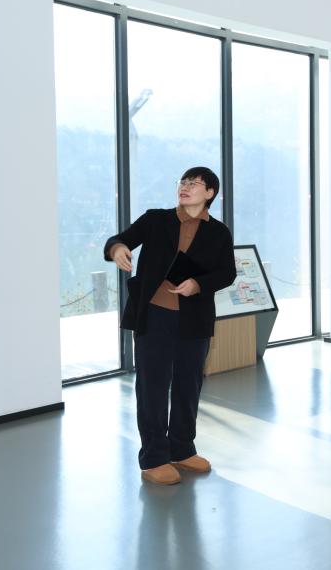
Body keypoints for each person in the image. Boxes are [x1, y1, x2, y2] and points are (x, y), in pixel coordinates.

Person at [104, 167, 236, 486]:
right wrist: (118, 249)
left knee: (189, 385)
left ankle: (182, 449)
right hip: (154, 315)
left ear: (210, 193)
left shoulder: (219, 232)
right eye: (183, 182)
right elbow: (120, 239)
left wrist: (198, 284)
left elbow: (227, 273)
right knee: (152, 386)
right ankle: (154, 458)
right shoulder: (156, 220)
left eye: (194, 183)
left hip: (195, 318)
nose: (185, 187)